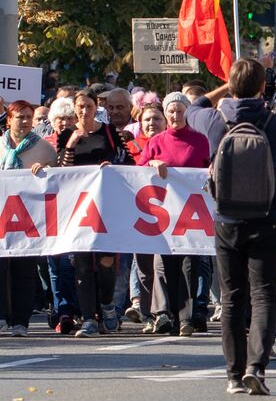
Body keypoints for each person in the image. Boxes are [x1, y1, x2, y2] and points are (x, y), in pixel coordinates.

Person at [212, 58, 276, 395]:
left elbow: (194, 104)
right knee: (264, 296)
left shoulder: (216, 118)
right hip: (268, 216)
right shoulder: (274, 121)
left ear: (230, 85)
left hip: (227, 219)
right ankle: (256, 368)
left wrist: (227, 89)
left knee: (232, 297)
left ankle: (233, 375)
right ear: (264, 87)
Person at [56, 88, 131, 338]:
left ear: (94, 108)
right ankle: (88, 318)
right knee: (83, 265)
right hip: (78, 208)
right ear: (74, 109)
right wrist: (71, 144)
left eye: (88, 106)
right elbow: (60, 171)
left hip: (105, 207)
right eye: (80, 107)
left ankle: (107, 305)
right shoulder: (67, 134)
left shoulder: (109, 132)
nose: (84, 111)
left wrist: (112, 167)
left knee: (106, 263)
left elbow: (129, 164)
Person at [138, 92, 211, 337]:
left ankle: (187, 318)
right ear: (166, 113)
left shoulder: (200, 140)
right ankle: (170, 313)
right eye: (171, 111)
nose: (176, 115)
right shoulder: (156, 141)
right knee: (169, 264)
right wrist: (151, 164)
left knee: (191, 265)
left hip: (192, 214)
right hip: (164, 213)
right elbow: (137, 171)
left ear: (187, 113)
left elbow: (209, 168)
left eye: (180, 111)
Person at [1, 101, 56, 336]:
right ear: (9, 120)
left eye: (28, 117)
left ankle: (21, 321)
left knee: (24, 269)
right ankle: (2, 316)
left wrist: (44, 169)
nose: (24, 121)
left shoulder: (44, 149)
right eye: (19, 117)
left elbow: (59, 180)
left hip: (29, 218)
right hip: (3, 217)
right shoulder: (0, 146)